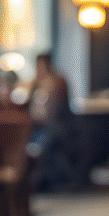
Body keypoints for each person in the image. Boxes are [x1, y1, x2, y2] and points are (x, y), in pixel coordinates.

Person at [27, 52, 82, 191]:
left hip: (57, 128)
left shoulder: (57, 83)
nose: (39, 69)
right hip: (40, 127)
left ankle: (38, 182)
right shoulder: (36, 84)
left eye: (41, 65)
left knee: (43, 143)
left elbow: (53, 114)